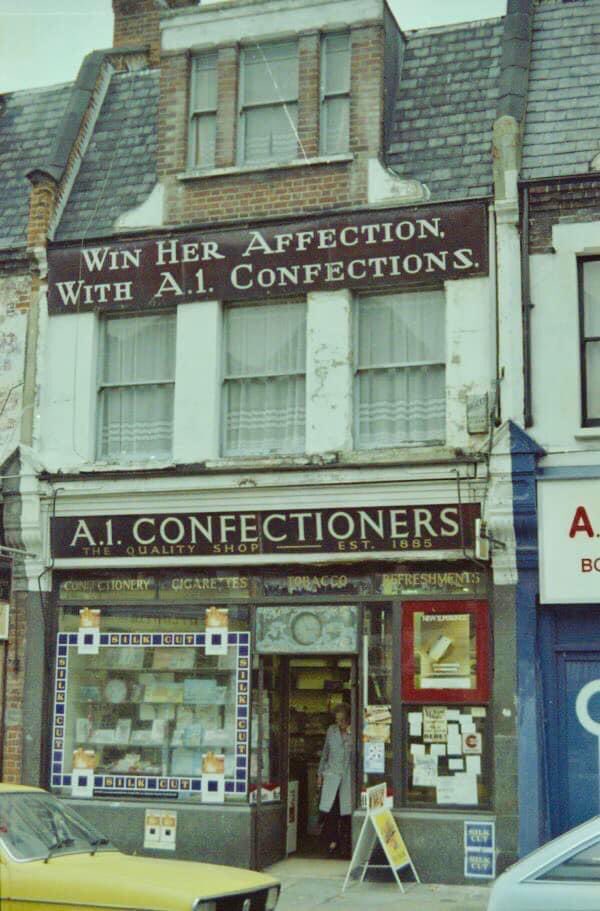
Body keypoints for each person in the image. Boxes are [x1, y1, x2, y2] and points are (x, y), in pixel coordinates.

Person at [317, 703, 353, 858]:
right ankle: (333, 842)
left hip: (347, 777)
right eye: (338, 720)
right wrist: (320, 774)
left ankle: (346, 844)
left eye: (343, 720)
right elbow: (325, 753)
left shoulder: (354, 731)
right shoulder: (331, 731)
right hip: (331, 776)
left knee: (346, 813)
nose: (340, 723)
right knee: (330, 811)